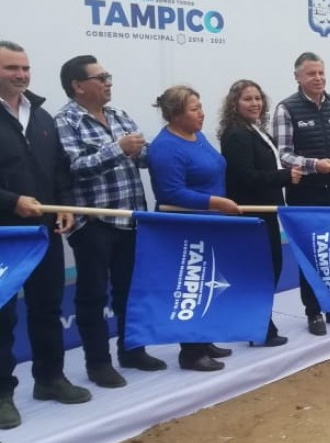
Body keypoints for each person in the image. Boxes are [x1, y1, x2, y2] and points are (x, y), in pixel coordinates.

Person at [55, 54, 167, 388]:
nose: (108, 82)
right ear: (78, 86)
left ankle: (132, 350)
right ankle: (98, 363)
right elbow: (75, 167)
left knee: (130, 291)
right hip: (94, 223)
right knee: (91, 297)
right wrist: (119, 148)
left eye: (108, 76)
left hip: (131, 218)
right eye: (100, 77)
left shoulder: (119, 114)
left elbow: (143, 157)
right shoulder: (66, 120)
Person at [0, 41, 89, 439]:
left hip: (44, 233)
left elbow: (59, 170)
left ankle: (50, 377)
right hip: (4, 236)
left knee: (46, 307)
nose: (20, 75)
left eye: (25, 67)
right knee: (2, 317)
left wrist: (65, 205)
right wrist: (12, 201)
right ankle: (2, 394)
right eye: (10, 68)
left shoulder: (41, 115)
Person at [148, 85, 243, 372]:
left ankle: (204, 339)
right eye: (194, 109)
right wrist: (215, 202)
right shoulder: (165, 147)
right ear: (176, 114)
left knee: (208, 283)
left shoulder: (197, 136)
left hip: (211, 223)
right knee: (191, 285)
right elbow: (171, 193)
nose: (202, 113)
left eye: (200, 107)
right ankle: (190, 352)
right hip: (186, 226)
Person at [271, 51, 330, 335]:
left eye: (321, 72)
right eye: (311, 73)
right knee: (310, 253)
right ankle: (313, 312)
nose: (318, 78)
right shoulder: (287, 109)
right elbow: (283, 155)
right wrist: (314, 165)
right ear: (297, 77)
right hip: (304, 193)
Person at [218, 79, 303, 347]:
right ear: (235, 104)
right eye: (247, 99)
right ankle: (260, 326)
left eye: (258, 98)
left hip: (266, 211)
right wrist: (285, 177)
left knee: (270, 269)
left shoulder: (253, 129)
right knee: (263, 271)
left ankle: (259, 322)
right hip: (252, 214)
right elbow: (246, 177)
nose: (255, 103)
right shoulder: (236, 135)